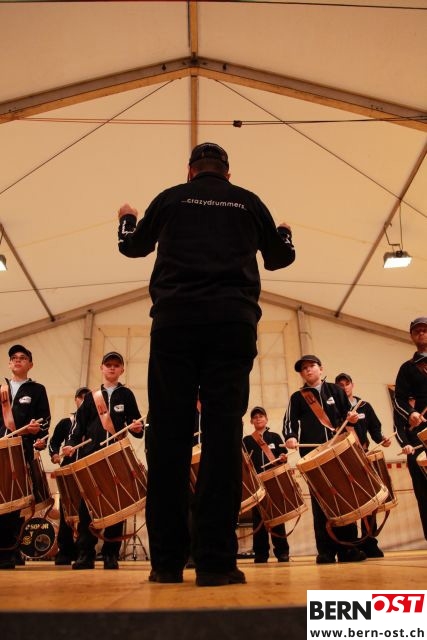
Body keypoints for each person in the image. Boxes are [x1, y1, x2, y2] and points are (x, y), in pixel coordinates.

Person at [117, 141, 295, 586]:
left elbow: (132, 248)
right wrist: (285, 233)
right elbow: (280, 258)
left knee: (168, 438)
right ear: (228, 173)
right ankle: (216, 563)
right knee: (222, 437)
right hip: (232, 325)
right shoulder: (248, 201)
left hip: (176, 322)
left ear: (190, 170)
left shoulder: (171, 198)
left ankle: (166, 563)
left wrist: (127, 218)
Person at [62, 351, 144, 570]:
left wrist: (137, 428)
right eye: (108, 364)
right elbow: (78, 427)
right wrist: (70, 444)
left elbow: (136, 424)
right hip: (91, 456)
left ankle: (111, 554)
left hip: (116, 455)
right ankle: (85, 554)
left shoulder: (126, 395)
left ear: (122, 369)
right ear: (101, 368)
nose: (112, 368)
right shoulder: (91, 397)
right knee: (87, 506)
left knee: (118, 505)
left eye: (116, 365)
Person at [283, 355, 366, 565]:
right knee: (320, 502)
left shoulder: (335, 390)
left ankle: (348, 548)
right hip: (314, 455)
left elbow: (347, 415)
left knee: (345, 498)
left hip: (338, 450)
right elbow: (289, 421)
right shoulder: (297, 397)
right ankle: (326, 551)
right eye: (304, 368)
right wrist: (290, 436)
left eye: (311, 366)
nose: (308, 370)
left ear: (321, 368)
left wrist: (352, 419)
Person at [0, 344, 51, 570]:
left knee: (16, 503)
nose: (18, 360)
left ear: (30, 364)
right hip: (1, 451)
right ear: (9, 363)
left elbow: (45, 420)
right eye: (14, 357)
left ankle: (9, 550)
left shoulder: (37, 390)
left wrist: (36, 431)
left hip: (22, 450)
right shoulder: (0, 390)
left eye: (23, 357)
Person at [335, 372, 391, 558]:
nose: (344, 387)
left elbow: (375, 427)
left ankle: (369, 540)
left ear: (352, 385)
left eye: (346, 383)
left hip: (364, 455)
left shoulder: (364, 405)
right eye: (340, 385)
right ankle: (352, 543)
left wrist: (381, 438)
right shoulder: (335, 409)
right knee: (350, 501)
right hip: (345, 458)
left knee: (370, 500)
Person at [48, 386, 91, 565]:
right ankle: (65, 549)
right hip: (68, 469)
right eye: (81, 397)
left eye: (87, 398)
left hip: (87, 468)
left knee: (87, 510)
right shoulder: (66, 422)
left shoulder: (94, 422)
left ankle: (84, 549)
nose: (83, 400)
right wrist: (55, 455)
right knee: (67, 508)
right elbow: (54, 442)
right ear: (75, 400)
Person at [393, 316, 427, 540]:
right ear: (412, 336)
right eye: (417, 331)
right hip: (419, 437)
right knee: (424, 491)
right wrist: (410, 413)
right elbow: (399, 399)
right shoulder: (407, 368)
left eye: (425, 329)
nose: (421, 333)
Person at [243, 406, 290, 563]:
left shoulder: (275, 437)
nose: (258, 419)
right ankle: (261, 553)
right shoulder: (247, 441)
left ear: (266, 419)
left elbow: (283, 457)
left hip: (273, 481)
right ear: (251, 421)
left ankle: (282, 552)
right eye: (255, 417)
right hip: (256, 483)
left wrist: (283, 458)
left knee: (277, 517)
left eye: (261, 416)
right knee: (259, 519)